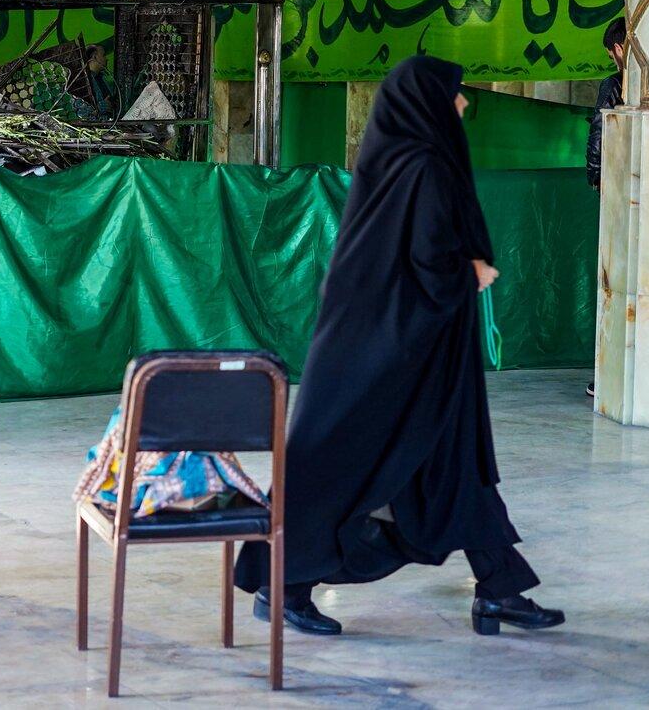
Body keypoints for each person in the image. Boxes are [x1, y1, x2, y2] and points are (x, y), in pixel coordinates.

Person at [234, 56, 564, 638]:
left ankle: (499, 590)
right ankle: (284, 584)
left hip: (394, 351)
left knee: (456, 466)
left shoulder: (390, 164)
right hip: (394, 359)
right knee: (342, 468)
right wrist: (471, 272)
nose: (463, 104)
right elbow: (427, 261)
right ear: (425, 104)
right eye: (455, 94)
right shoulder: (423, 167)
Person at [585, 17, 625, 398]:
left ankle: (609, 375)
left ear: (618, 49)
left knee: (613, 285)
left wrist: (596, 176)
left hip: (621, 196)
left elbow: (599, 132)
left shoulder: (614, 85)